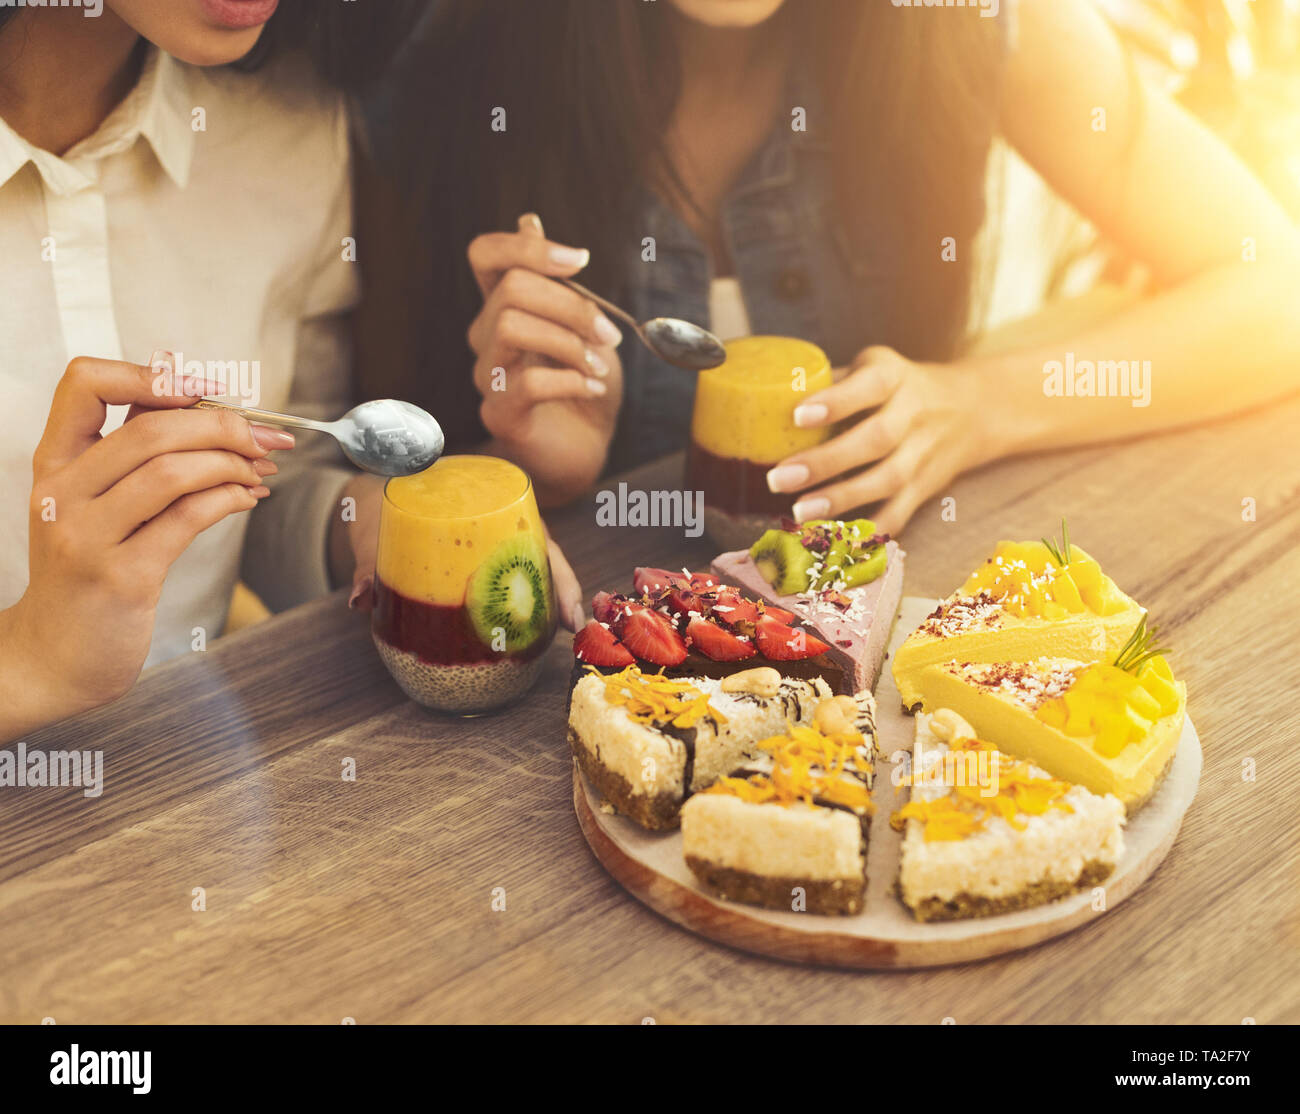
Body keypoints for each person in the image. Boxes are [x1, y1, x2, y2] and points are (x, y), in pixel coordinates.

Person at [358, 0, 1300, 531]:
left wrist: (976, 407)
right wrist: (528, 473)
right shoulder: (440, 60)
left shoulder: (976, 23)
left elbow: (1275, 296)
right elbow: (334, 493)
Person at [0, 0, 579, 744]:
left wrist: (366, 521)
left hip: (194, 792)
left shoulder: (290, 122)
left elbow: (270, 479)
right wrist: (28, 663)